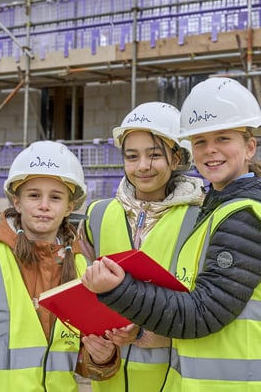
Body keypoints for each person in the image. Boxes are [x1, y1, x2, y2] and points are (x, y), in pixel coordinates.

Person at [82, 77, 261, 391]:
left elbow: (202, 313)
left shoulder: (248, 217)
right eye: (200, 141)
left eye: (223, 138)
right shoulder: (219, 209)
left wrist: (118, 289)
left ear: (250, 146)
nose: (210, 150)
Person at [0, 140, 119, 392]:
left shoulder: (83, 268)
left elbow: (83, 359)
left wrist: (103, 356)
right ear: (17, 202)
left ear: (68, 207)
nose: (44, 205)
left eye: (55, 197)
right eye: (33, 195)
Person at [79, 101, 204, 391]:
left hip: (174, 382)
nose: (143, 166)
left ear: (176, 159)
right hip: (109, 382)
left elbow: (207, 309)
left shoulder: (201, 217)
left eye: (155, 155)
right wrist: (100, 351)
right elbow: (81, 298)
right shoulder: (96, 216)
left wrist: (143, 330)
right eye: (132, 156)